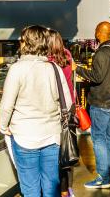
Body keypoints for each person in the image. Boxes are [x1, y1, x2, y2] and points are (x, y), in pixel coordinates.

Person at [0, 25, 71, 197]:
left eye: (22, 39)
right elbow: (67, 103)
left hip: (24, 136)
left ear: (26, 43)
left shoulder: (17, 69)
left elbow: (6, 105)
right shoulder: (55, 69)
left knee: (30, 187)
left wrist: (3, 126)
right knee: (51, 184)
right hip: (52, 135)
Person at [75, 21, 110, 190]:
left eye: (96, 30)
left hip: (101, 102)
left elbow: (97, 77)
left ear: (99, 33)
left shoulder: (102, 53)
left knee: (98, 140)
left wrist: (78, 69)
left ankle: (103, 178)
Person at [45, 29, 75, 197]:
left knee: (55, 151)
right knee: (65, 151)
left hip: (55, 108)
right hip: (68, 107)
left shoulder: (48, 61)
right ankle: (66, 189)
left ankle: (56, 189)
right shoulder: (67, 55)